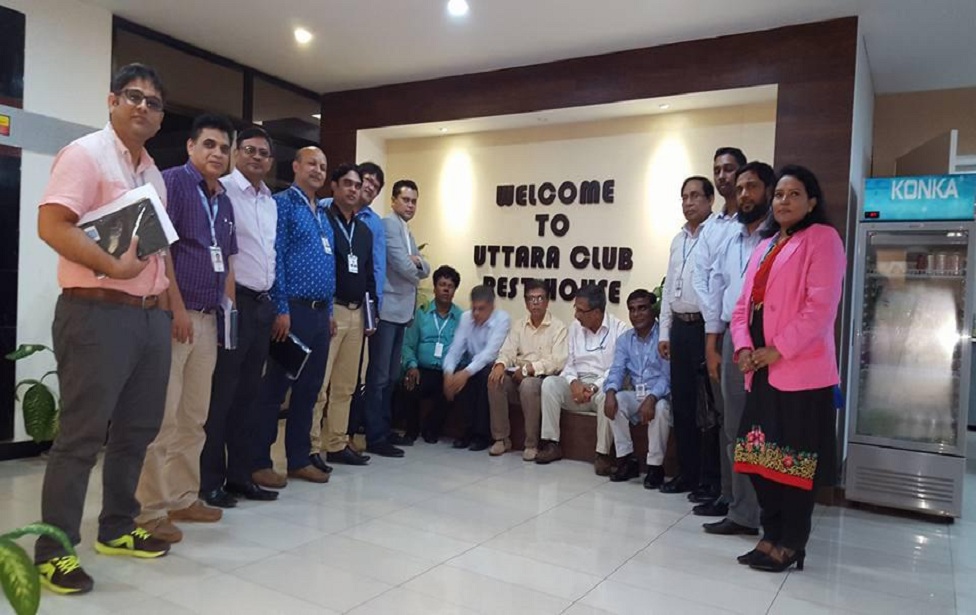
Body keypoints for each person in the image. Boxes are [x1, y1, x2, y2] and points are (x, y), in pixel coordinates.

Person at [33, 64, 173, 594]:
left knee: (136, 430)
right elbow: (52, 225)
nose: (142, 107)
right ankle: (54, 551)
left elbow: (157, 249)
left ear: (161, 118)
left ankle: (117, 526)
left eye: (153, 103)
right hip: (95, 313)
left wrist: (165, 308)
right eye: (133, 96)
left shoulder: (154, 174)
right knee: (81, 436)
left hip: (148, 318)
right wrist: (112, 267)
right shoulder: (85, 154)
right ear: (112, 101)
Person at [731, 165, 844, 572]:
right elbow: (742, 307)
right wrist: (744, 347)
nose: (783, 201)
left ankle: (792, 542)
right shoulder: (765, 246)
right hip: (760, 370)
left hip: (801, 372)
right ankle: (771, 532)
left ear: (811, 202)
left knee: (793, 465)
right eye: (779, 194)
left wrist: (777, 350)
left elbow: (820, 309)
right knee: (756, 458)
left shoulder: (823, 239)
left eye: (794, 194)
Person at [136, 113, 238, 538]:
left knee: (194, 416)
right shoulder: (173, 183)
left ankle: (182, 498)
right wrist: (175, 309)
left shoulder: (224, 200)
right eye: (209, 144)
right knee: (163, 416)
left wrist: (229, 312)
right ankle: (148, 510)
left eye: (224, 148)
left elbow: (227, 259)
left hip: (209, 319)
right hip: (175, 317)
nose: (217, 153)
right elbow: (160, 252)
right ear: (191, 146)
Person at [200, 127, 280, 508]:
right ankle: (210, 481)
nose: (256, 157)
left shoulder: (269, 201)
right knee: (223, 396)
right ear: (236, 153)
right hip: (234, 303)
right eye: (249, 150)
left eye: (263, 153)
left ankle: (240, 476)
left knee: (249, 396)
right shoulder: (224, 191)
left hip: (262, 305)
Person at [698, 161, 774, 532]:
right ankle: (736, 505)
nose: (744, 194)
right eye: (741, 188)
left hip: (768, 341)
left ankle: (759, 511)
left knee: (760, 428)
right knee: (733, 425)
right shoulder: (730, 239)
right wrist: (712, 344)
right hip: (731, 336)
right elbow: (717, 292)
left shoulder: (779, 240)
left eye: (752, 187)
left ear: (769, 191)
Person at [256, 147, 335, 485]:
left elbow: (329, 264)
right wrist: (282, 308)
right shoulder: (283, 204)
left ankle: (299, 459)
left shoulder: (323, 213)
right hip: (293, 311)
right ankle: (259, 460)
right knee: (276, 388)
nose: (318, 170)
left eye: (323, 166)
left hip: (319, 315)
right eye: (312, 164)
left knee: (309, 389)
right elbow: (276, 256)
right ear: (296, 166)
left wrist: (329, 311)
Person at [692, 147, 747, 513]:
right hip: (722, 332)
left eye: (729, 169)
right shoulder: (712, 227)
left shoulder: (757, 224)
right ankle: (729, 496)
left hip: (755, 335)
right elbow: (706, 281)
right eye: (718, 170)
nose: (723, 176)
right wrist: (712, 340)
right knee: (726, 420)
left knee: (745, 423)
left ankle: (746, 503)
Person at [312, 164, 377, 467]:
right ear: (334, 187)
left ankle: (337, 443)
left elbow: (368, 276)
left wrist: (371, 317)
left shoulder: (363, 231)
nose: (353, 189)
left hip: (357, 314)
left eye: (357, 185)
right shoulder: (323, 220)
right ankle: (312, 446)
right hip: (331, 311)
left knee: (346, 385)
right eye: (347, 184)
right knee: (320, 384)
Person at [363, 180, 430, 454]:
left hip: (402, 312)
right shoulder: (389, 224)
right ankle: (374, 435)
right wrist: (417, 265)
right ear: (393, 201)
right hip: (387, 310)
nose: (410, 205)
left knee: (391, 376)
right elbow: (404, 265)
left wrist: (419, 262)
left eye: (414, 201)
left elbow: (425, 265)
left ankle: (384, 428)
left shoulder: (406, 228)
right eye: (406, 200)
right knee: (379, 376)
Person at [658, 176, 715, 496]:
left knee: (706, 408)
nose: (689, 202)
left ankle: (709, 479)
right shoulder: (677, 239)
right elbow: (668, 287)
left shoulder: (717, 234)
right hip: (679, 328)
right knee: (681, 404)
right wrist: (664, 332)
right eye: (684, 197)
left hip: (705, 329)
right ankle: (686, 473)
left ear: (710, 200)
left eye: (695, 196)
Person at [537, 284, 629, 474]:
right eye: (575, 308)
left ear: (596, 312)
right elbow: (568, 363)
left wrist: (593, 387)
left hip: (602, 385)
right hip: (577, 385)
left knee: (608, 396)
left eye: (580, 310)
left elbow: (617, 369)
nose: (576, 315)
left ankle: (602, 454)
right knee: (549, 384)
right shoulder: (575, 328)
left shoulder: (619, 329)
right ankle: (552, 444)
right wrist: (573, 383)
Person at [487, 279, 568, 460]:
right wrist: (500, 365)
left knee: (529, 385)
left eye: (540, 298)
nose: (535, 303)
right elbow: (507, 351)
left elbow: (557, 362)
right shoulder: (519, 325)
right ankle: (501, 439)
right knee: (495, 379)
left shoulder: (558, 327)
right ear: (525, 302)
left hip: (541, 380)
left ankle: (531, 444)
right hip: (516, 376)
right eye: (531, 299)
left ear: (547, 301)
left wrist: (529, 369)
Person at [604, 290, 672, 486]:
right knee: (616, 401)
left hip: (662, 396)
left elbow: (667, 377)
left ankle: (655, 467)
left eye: (642, 308)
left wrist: (652, 397)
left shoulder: (664, 338)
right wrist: (610, 391)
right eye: (632, 310)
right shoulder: (625, 340)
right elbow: (617, 370)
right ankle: (627, 460)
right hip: (637, 394)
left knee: (660, 408)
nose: (637, 314)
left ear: (653, 311)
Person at [397, 265, 463, 442]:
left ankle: (431, 428)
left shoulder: (461, 318)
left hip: (446, 372)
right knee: (409, 382)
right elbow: (408, 344)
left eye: (450, 286)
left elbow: (464, 348)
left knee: (451, 389)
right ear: (434, 288)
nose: (446, 289)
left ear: (454, 291)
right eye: (442, 284)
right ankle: (411, 429)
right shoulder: (421, 313)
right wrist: (411, 365)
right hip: (422, 369)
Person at [442, 285, 511, 451]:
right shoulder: (466, 318)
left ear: (492, 306)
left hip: (493, 366)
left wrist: (466, 373)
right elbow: (455, 349)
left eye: (481, 309)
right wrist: (448, 373)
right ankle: (465, 432)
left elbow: (490, 353)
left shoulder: (502, 319)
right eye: (474, 308)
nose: (476, 313)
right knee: (458, 374)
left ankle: (481, 435)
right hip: (472, 364)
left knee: (482, 376)